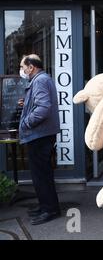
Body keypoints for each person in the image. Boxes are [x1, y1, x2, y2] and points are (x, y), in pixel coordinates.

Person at [18, 54, 61, 225]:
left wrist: (26, 122)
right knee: (42, 174)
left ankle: (50, 210)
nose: (21, 71)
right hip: (42, 134)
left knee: (41, 175)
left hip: (39, 135)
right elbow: (40, 104)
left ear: (31, 67)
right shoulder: (41, 79)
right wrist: (26, 104)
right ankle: (46, 206)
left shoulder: (40, 80)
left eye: (22, 67)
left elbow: (43, 108)